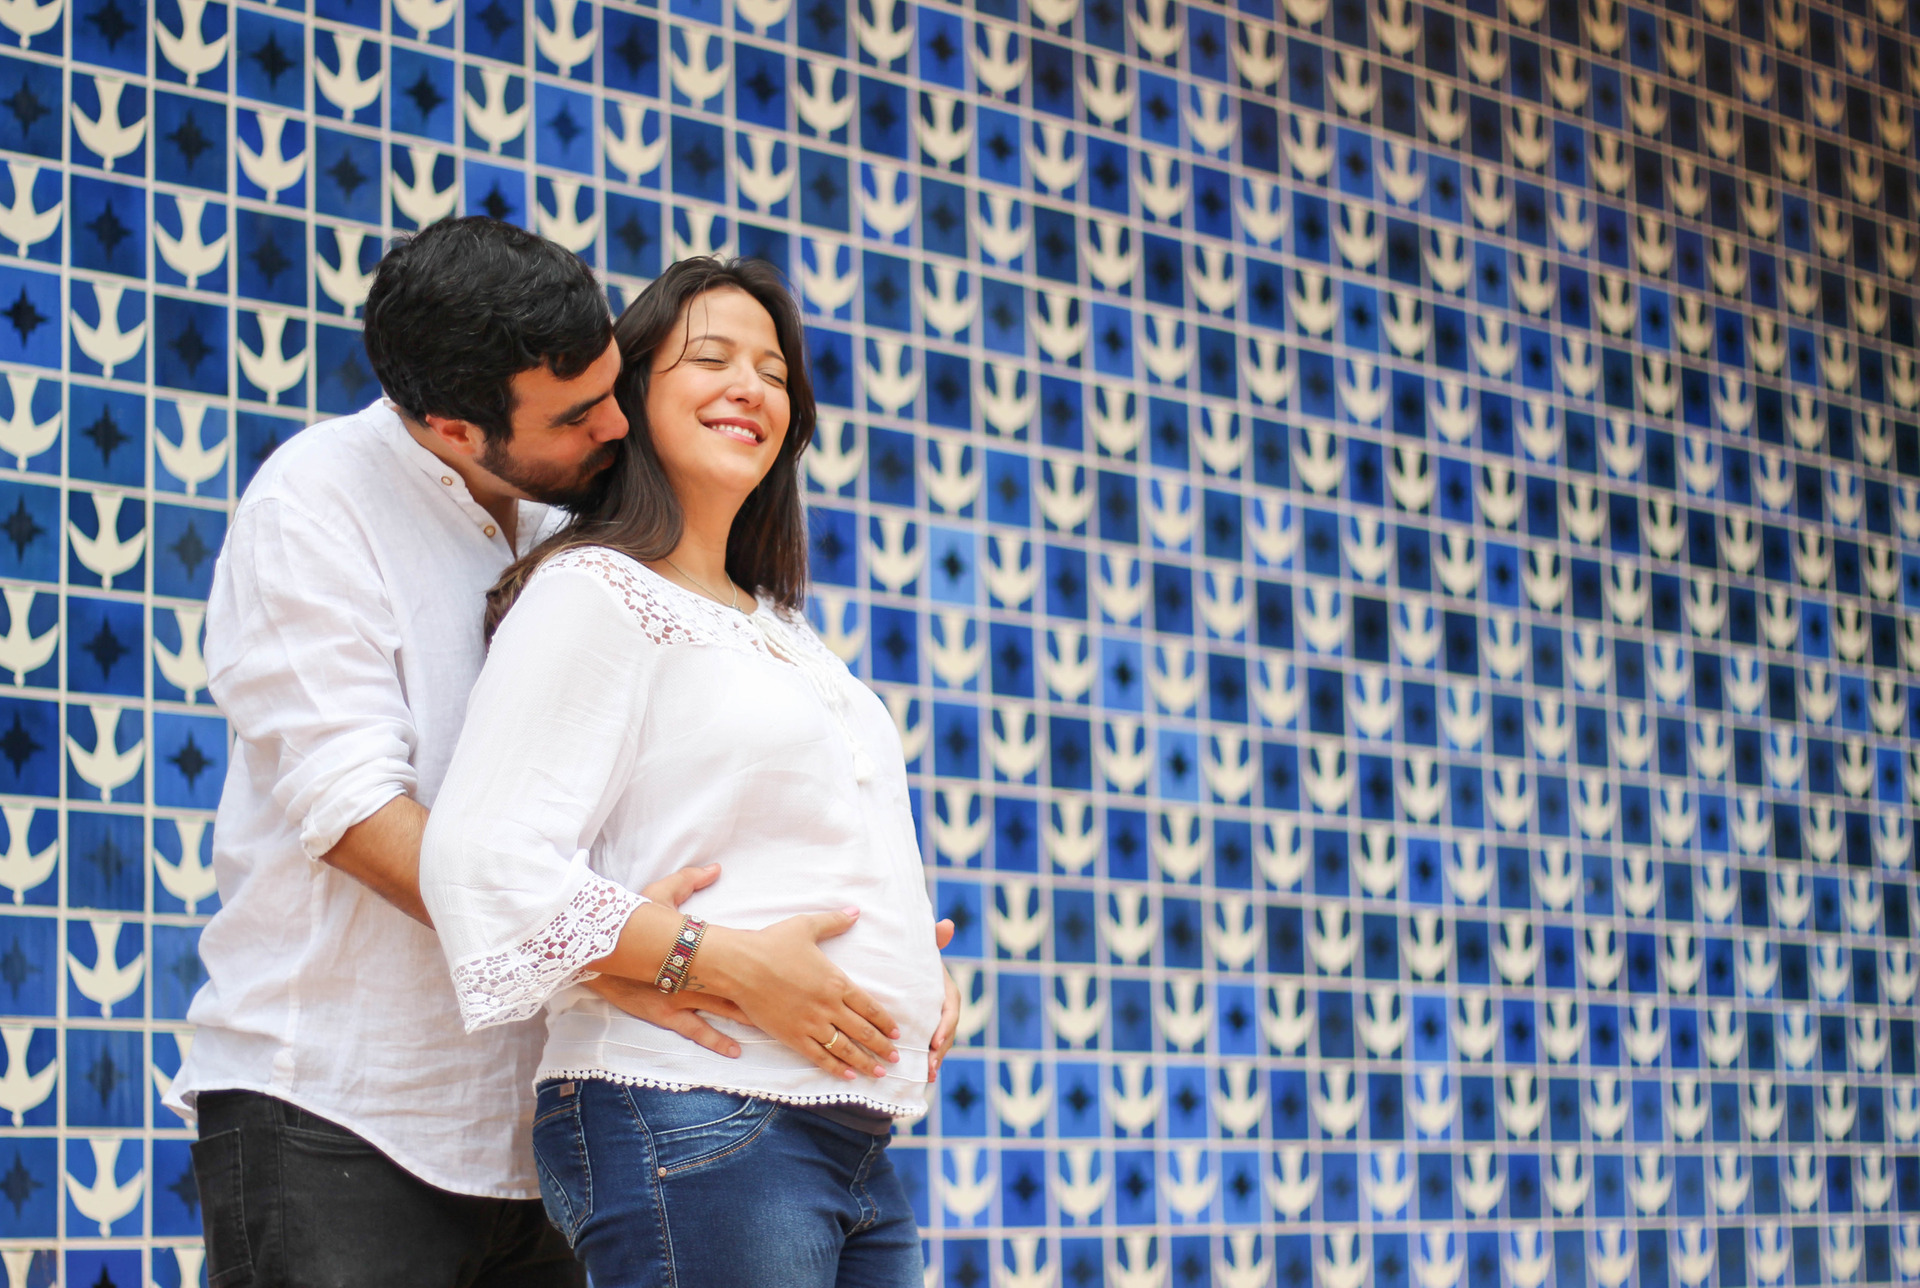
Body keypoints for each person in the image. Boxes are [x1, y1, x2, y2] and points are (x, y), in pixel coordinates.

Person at [170, 219, 943, 1287]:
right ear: (455, 428)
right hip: (348, 1106)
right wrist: (663, 952)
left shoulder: (574, 521)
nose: (615, 422)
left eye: (614, 384)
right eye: (579, 414)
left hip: (538, 1112)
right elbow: (354, 814)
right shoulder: (314, 507)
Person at [418, 256, 952, 1288]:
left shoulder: (781, 628)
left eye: (774, 372)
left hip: (847, 1132)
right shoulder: (595, 592)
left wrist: (917, 974)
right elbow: (481, 859)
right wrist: (719, 961)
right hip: (698, 1112)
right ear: (630, 399)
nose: (750, 386)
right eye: (711, 359)